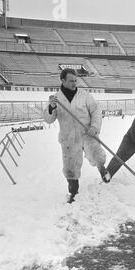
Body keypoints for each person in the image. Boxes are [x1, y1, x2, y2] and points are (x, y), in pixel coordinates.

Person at [43, 68, 109, 203]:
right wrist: (51, 108)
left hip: (87, 132)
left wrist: (94, 127)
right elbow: (49, 119)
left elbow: (96, 111)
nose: (74, 83)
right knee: (70, 166)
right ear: (62, 81)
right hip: (69, 137)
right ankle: (73, 192)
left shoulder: (84, 95)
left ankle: (102, 169)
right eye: (71, 81)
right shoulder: (56, 98)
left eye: (75, 80)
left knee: (96, 154)